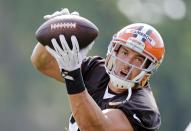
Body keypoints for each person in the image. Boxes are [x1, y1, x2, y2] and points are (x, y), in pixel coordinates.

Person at [31, 8, 165, 131]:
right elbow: (43, 63)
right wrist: (57, 29)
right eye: (125, 53)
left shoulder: (144, 109)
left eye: (138, 59)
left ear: (148, 69)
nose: (127, 63)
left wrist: (72, 73)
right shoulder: (96, 69)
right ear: (115, 51)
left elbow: (93, 128)